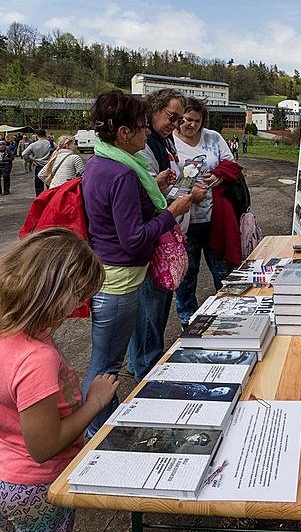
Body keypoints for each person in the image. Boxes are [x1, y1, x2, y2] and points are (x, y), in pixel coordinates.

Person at [82, 90, 191, 437]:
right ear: (124, 133)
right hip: (120, 284)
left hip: (107, 276)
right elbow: (134, 239)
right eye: (143, 127)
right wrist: (171, 214)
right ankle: (96, 434)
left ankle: (102, 426)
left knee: (107, 363)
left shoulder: (101, 162)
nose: (148, 134)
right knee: (106, 368)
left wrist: (153, 189)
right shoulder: (123, 174)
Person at [0, 228, 119, 532]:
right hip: (37, 483)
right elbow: (44, 446)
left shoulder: (10, 332)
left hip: (9, 471)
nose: (80, 306)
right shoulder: (36, 358)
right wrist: (95, 403)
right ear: (57, 294)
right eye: (79, 296)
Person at [126, 88, 188, 379]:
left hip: (161, 237)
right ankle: (145, 373)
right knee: (149, 313)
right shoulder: (143, 145)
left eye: (178, 120)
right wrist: (173, 203)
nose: (174, 125)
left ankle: (143, 364)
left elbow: (155, 187)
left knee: (155, 310)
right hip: (151, 241)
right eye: (172, 118)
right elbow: (143, 195)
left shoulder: (162, 141)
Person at [173, 97, 235, 328]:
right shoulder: (169, 141)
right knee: (187, 274)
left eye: (197, 120)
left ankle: (228, 312)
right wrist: (188, 195)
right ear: (179, 119)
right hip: (185, 220)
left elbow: (231, 164)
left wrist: (218, 176)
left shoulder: (213, 137)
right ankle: (188, 319)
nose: (192, 125)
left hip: (213, 216)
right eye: (187, 119)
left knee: (222, 269)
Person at [22, 129, 51, 195]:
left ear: (37, 135)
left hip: (39, 166)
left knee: (39, 186)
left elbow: (24, 154)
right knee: (49, 185)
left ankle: (39, 201)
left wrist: (31, 160)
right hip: (49, 166)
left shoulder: (33, 145)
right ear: (45, 134)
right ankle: (51, 201)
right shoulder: (51, 144)